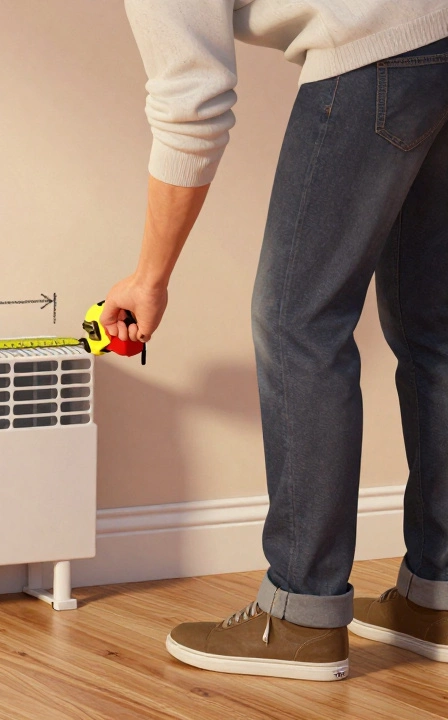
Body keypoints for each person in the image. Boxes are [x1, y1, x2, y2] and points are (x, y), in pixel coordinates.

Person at [103, 1, 448, 681]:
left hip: (376, 47)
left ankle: (300, 614)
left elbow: (192, 98)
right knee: (431, 324)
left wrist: (150, 277)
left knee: (299, 323)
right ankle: (437, 593)